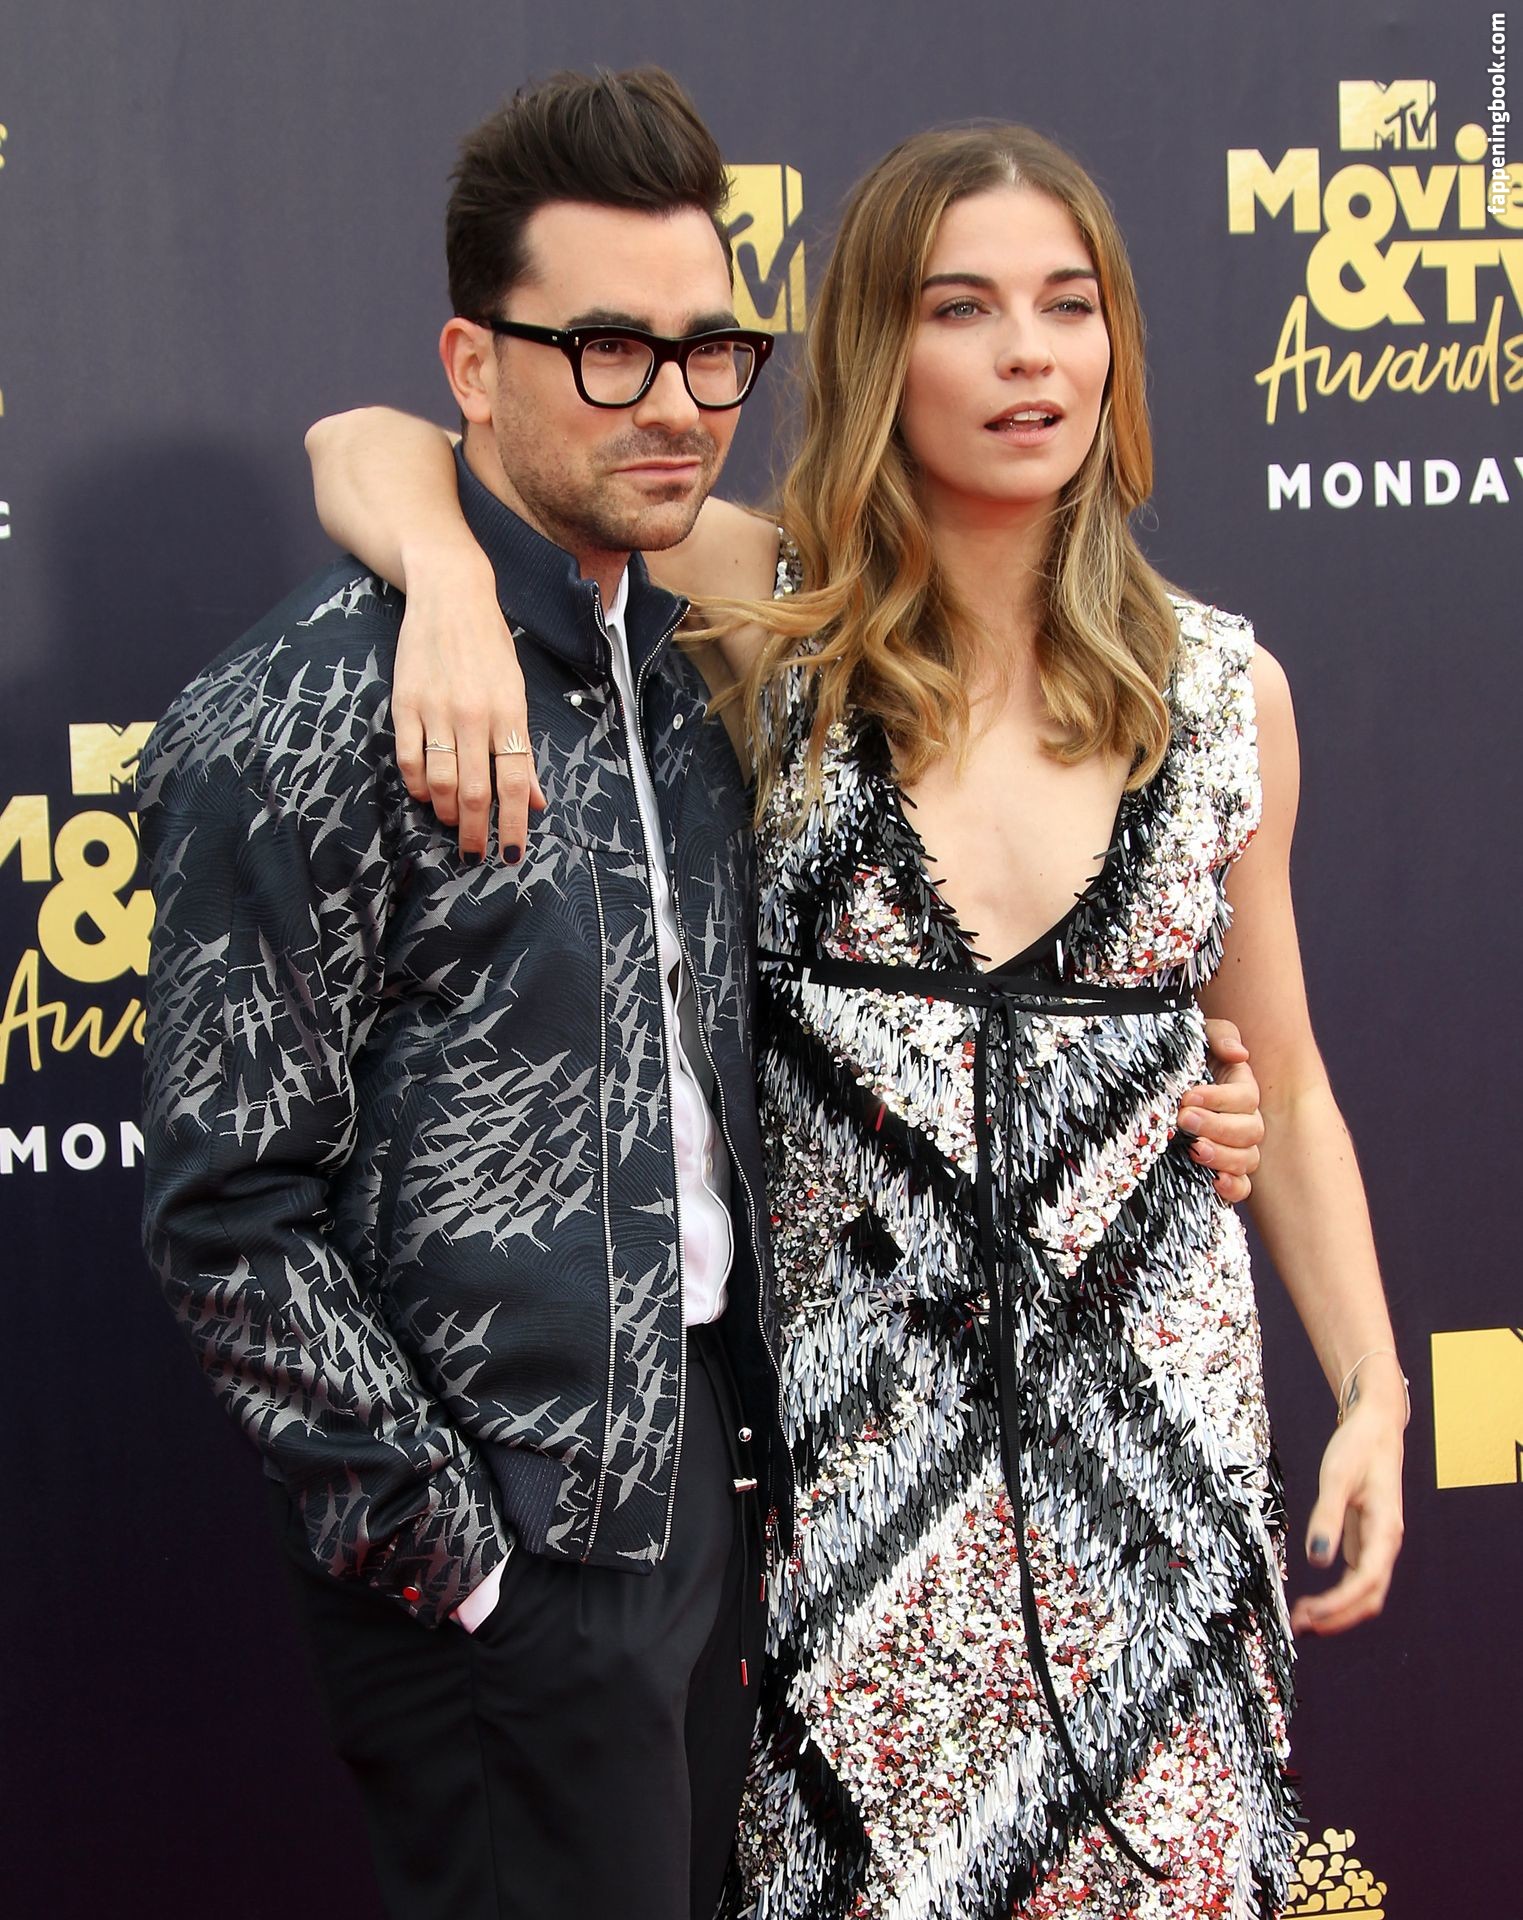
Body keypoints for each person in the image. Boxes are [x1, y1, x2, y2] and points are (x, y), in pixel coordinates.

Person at [299, 118, 1347, 1920]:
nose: (1029, 356)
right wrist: (451, 584)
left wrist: (1381, 1386)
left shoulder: (1218, 690)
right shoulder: (766, 616)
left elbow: (1291, 1075)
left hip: (1158, 1485)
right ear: (875, 346)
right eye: (963, 307)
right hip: (859, 1498)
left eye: (1069, 305)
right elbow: (369, 440)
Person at [139, 69, 790, 1920]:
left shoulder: (690, 658)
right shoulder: (307, 708)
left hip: (708, 1481)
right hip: (505, 1549)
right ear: (473, 366)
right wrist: (453, 1548)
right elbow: (225, 1208)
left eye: (709, 350)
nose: (672, 402)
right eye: (606, 348)